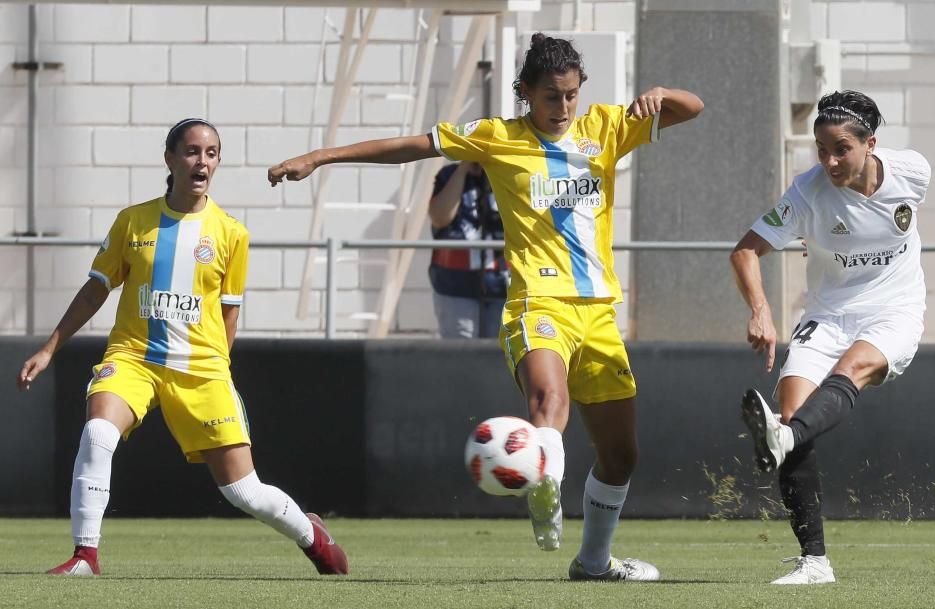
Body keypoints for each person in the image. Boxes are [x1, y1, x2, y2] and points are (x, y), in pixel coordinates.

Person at [269, 33, 703, 581]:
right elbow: (413, 146)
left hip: (598, 311)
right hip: (536, 301)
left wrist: (661, 92)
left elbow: (694, 109)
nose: (563, 108)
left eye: (571, 95)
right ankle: (544, 482)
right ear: (525, 93)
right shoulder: (498, 137)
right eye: (551, 96)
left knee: (622, 456)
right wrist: (320, 156)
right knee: (549, 399)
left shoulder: (608, 128)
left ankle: (593, 562)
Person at [16, 118, 348, 577]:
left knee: (244, 492)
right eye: (192, 151)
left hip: (202, 370)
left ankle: (313, 537)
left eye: (211, 153)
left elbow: (229, 313)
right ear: (170, 158)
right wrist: (50, 347)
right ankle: (85, 556)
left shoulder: (232, 233)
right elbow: (96, 289)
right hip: (134, 358)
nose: (202, 161)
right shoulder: (134, 220)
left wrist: (220, 373)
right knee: (98, 434)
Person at [731, 90, 929, 585]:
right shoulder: (806, 193)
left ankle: (782, 439)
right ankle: (815, 562)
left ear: (870, 144)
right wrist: (761, 311)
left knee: (850, 370)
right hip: (828, 313)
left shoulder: (913, 172)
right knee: (794, 412)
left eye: (841, 148)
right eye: (822, 149)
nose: (830, 160)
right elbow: (745, 251)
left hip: (895, 309)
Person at [428, 160, 508, 338]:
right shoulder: (449, 175)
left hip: (504, 284)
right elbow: (440, 218)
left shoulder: (510, 173)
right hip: (455, 284)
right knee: (460, 355)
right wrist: (463, 170)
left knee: (501, 355)